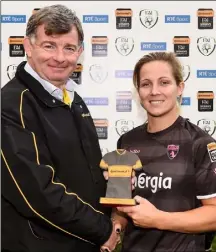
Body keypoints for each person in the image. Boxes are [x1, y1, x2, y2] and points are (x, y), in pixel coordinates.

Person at [1, 5, 120, 252]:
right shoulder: (11, 104)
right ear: (28, 46)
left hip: (85, 241)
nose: (60, 57)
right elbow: (36, 194)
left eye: (69, 48)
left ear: (80, 52)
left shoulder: (73, 100)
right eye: (49, 45)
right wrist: (103, 229)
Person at [111, 52, 216, 252]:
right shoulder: (126, 141)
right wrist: (116, 227)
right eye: (146, 84)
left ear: (180, 88)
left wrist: (159, 219)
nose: (154, 91)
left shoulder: (200, 143)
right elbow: (121, 204)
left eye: (164, 82)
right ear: (138, 91)